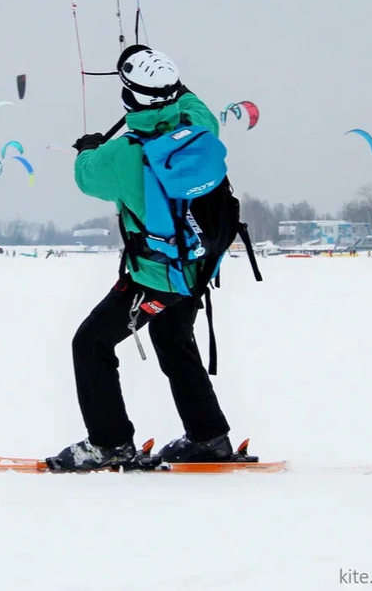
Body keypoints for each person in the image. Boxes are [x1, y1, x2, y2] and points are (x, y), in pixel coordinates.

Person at [47, 46, 237, 472]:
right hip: (197, 269)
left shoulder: (121, 155)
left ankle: (110, 444)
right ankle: (209, 438)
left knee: (90, 343)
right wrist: (166, 82)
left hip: (155, 278)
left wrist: (88, 147)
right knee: (172, 339)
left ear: (129, 97)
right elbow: (193, 102)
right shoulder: (200, 128)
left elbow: (86, 175)